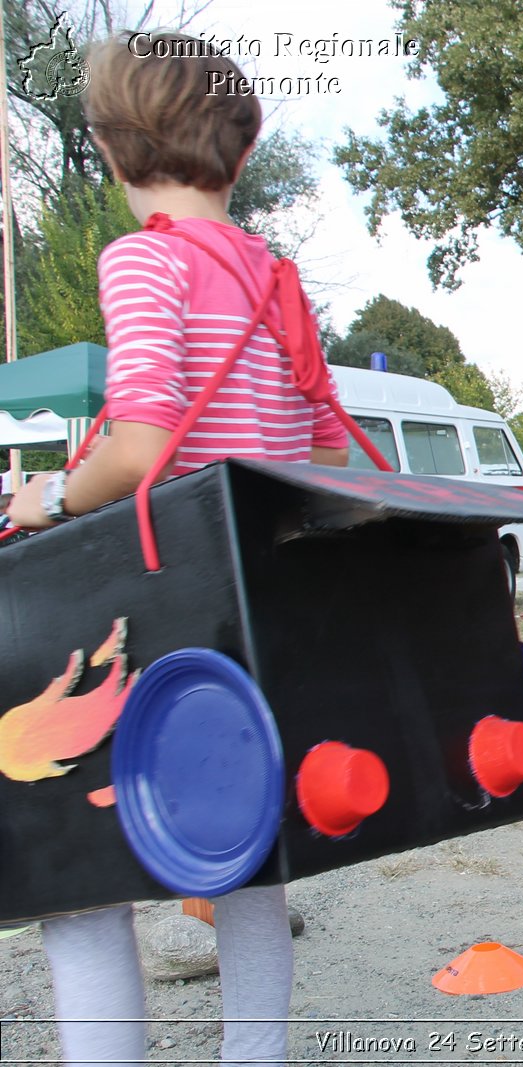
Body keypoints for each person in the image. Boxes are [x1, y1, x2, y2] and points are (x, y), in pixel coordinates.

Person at [5, 32, 349, 1064]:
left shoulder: (144, 257)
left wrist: (49, 495)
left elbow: (146, 439)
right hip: (259, 607)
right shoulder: (277, 276)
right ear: (241, 157)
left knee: (83, 872)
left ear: (110, 152)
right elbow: (328, 444)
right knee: (249, 854)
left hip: (158, 607)